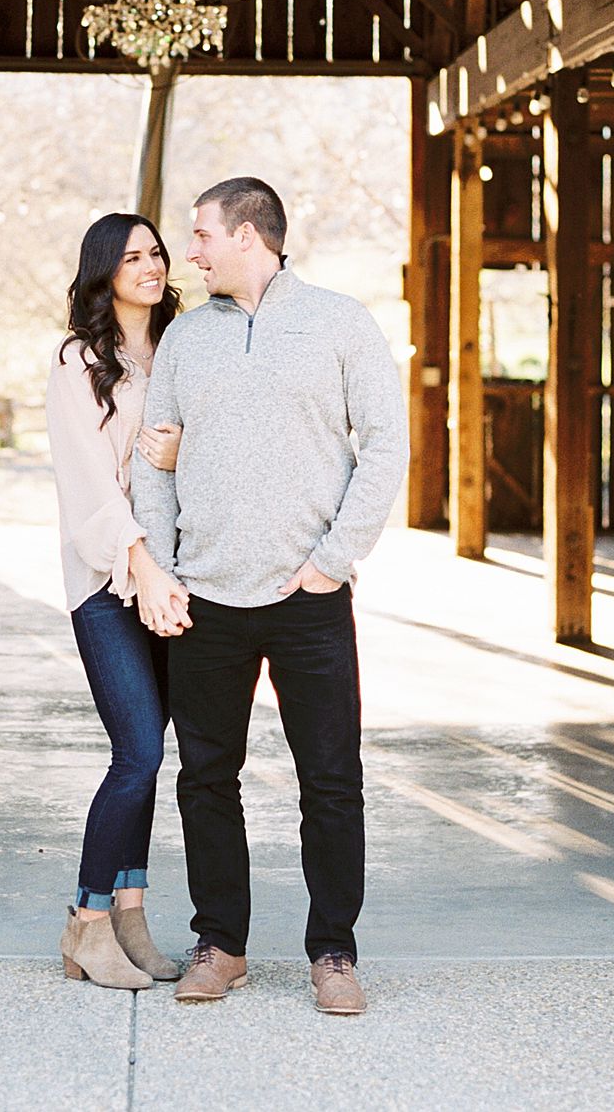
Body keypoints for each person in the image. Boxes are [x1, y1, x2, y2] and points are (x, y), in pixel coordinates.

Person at [130, 177, 409, 1017]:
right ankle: (222, 943)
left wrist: (334, 560)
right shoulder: (185, 339)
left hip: (307, 596)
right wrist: (165, 568)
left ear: (250, 235)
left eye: (202, 235)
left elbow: (387, 445)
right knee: (206, 777)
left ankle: (334, 951)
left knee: (331, 779)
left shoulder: (339, 323)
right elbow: (154, 456)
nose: (193, 251)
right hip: (207, 596)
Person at [45, 212, 195, 989]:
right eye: (131, 255)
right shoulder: (79, 362)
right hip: (110, 581)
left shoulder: (184, 345)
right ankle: (88, 924)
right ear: (104, 272)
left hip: (176, 578)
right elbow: (87, 483)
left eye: (156, 252)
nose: (149, 263)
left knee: (154, 753)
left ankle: (132, 912)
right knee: (136, 752)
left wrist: (185, 448)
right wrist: (141, 566)